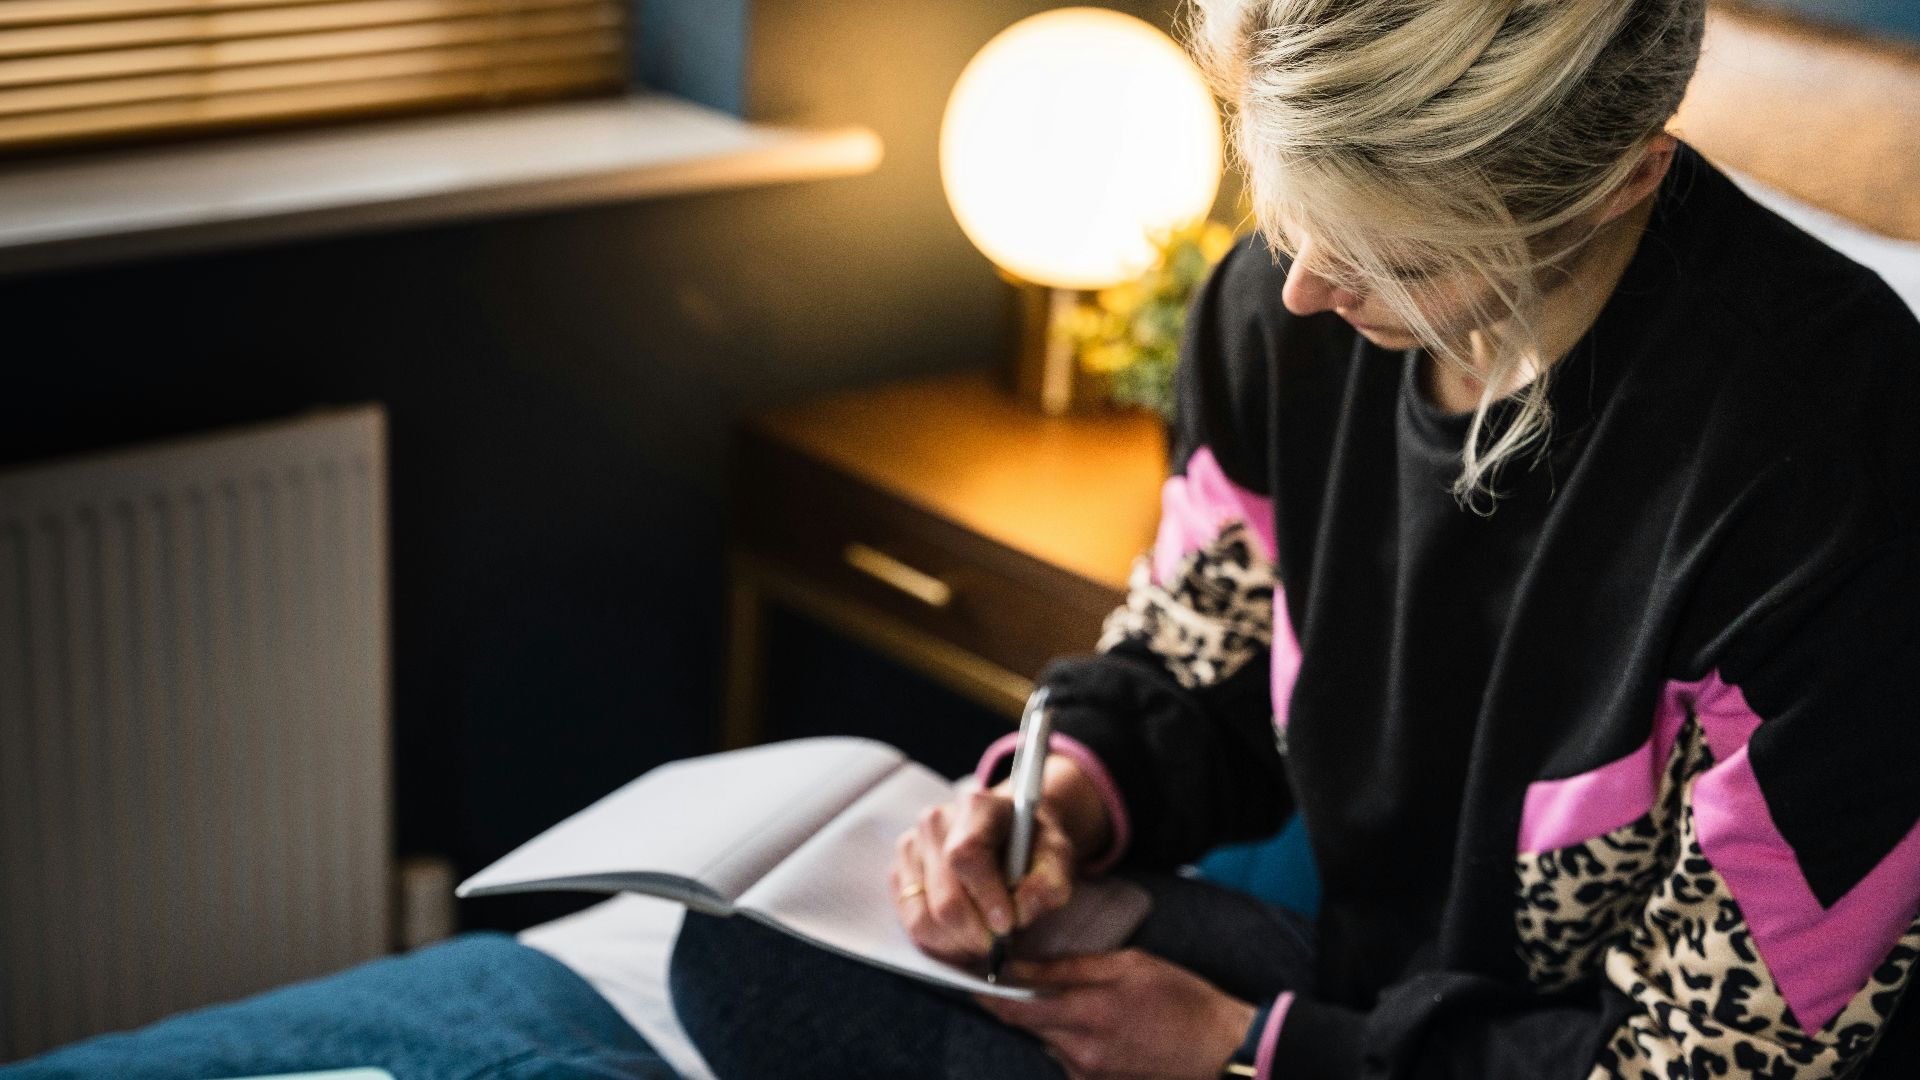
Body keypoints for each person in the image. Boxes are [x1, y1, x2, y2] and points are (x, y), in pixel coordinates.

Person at [670, 0, 1920, 1076]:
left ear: (1620, 183)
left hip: (1569, 1049)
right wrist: (1065, 801)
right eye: (1290, 207)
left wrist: (1250, 1051)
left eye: (1393, 250)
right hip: (1365, 998)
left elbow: (1712, 1056)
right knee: (745, 953)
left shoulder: (1832, 467)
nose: (1307, 283)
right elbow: (1197, 663)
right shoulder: (1283, 311)